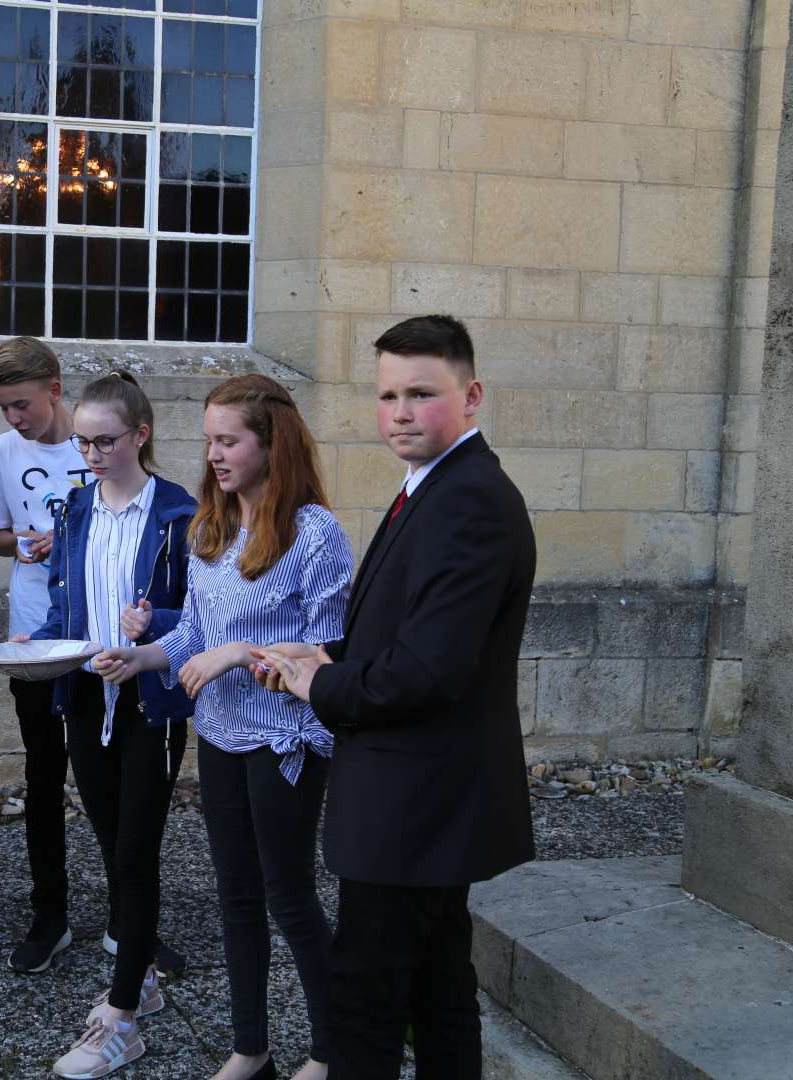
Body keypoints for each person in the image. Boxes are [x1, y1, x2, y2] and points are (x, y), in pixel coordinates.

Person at [254, 315, 537, 1080]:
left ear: (471, 395)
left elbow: (430, 673)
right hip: (419, 804)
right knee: (438, 986)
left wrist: (324, 684)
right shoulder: (435, 486)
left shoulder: (469, 500)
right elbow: (407, 634)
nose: (400, 413)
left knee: (364, 1012)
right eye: (386, 396)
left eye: (422, 393)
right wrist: (327, 653)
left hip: (418, 805)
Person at [94, 374, 353, 1080]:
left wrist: (241, 654)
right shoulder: (209, 527)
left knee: (289, 897)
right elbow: (197, 637)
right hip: (220, 732)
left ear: (272, 444)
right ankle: (251, 1050)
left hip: (285, 740)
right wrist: (141, 656)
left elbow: (329, 655)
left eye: (228, 440)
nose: (213, 453)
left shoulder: (315, 534)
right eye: (208, 440)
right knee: (235, 897)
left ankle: (336, 1049)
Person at [22, 371, 197, 1079]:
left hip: (150, 703)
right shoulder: (74, 511)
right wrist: (36, 643)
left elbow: (209, 617)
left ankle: (121, 1016)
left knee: (135, 854)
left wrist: (156, 622)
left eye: (105, 441)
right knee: (109, 844)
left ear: (141, 436)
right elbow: (68, 610)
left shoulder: (181, 513)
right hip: (85, 699)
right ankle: (144, 977)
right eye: (84, 442)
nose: (91, 454)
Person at [0, 337, 92, 973]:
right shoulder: (1, 452)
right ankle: (50, 913)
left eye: (21, 404)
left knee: (108, 782)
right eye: (3, 408)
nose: (14, 419)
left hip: (94, 636)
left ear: (54, 387)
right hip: (33, 637)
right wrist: (20, 543)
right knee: (44, 779)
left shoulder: (96, 441)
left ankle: (133, 918)